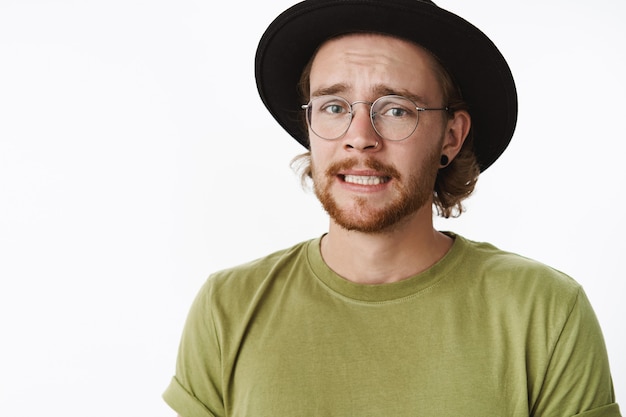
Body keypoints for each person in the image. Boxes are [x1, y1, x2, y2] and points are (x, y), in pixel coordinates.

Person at [163, 0, 621, 415]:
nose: (360, 135)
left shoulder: (545, 313)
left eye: (397, 109)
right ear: (308, 124)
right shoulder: (227, 309)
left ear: (451, 136)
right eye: (334, 106)